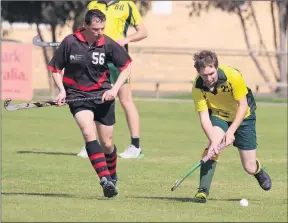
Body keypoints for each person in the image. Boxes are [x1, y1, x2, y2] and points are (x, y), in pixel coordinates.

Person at [48, 9, 133, 198]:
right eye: (95, 29)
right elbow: (55, 68)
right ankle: (105, 180)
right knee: (88, 132)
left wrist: (114, 89)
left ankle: (112, 175)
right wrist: (62, 90)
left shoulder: (107, 43)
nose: (100, 32)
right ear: (85, 26)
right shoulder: (70, 42)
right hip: (77, 96)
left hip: (103, 96)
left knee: (107, 143)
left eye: (102, 28)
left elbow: (127, 66)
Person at [191, 50, 272, 203]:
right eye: (204, 75)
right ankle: (202, 190)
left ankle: (258, 170)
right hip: (219, 115)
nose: (208, 78)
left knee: (249, 167)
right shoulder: (198, 86)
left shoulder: (233, 76)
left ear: (216, 67)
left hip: (244, 117)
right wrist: (213, 140)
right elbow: (204, 116)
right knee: (212, 147)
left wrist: (231, 132)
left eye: (211, 73)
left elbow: (243, 105)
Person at [77, 0, 148, 159]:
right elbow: (85, 29)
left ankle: (135, 147)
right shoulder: (94, 4)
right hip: (96, 57)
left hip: (117, 59)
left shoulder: (127, 5)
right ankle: (92, 144)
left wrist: (125, 40)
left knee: (125, 100)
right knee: (93, 99)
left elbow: (143, 32)